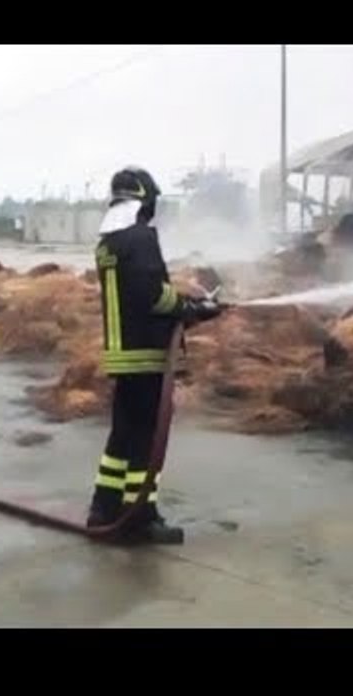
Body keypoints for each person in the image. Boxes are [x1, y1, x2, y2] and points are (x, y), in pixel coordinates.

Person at [86, 166, 222, 544]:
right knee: (148, 439)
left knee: (123, 438)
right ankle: (140, 517)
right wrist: (192, 309)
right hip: (144, 353)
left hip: (121, 352)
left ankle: (104, 509)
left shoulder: (108, 242)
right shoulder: (141, 238)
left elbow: (134, 296)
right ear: (144, 200)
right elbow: (155, 296)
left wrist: (186, 309)